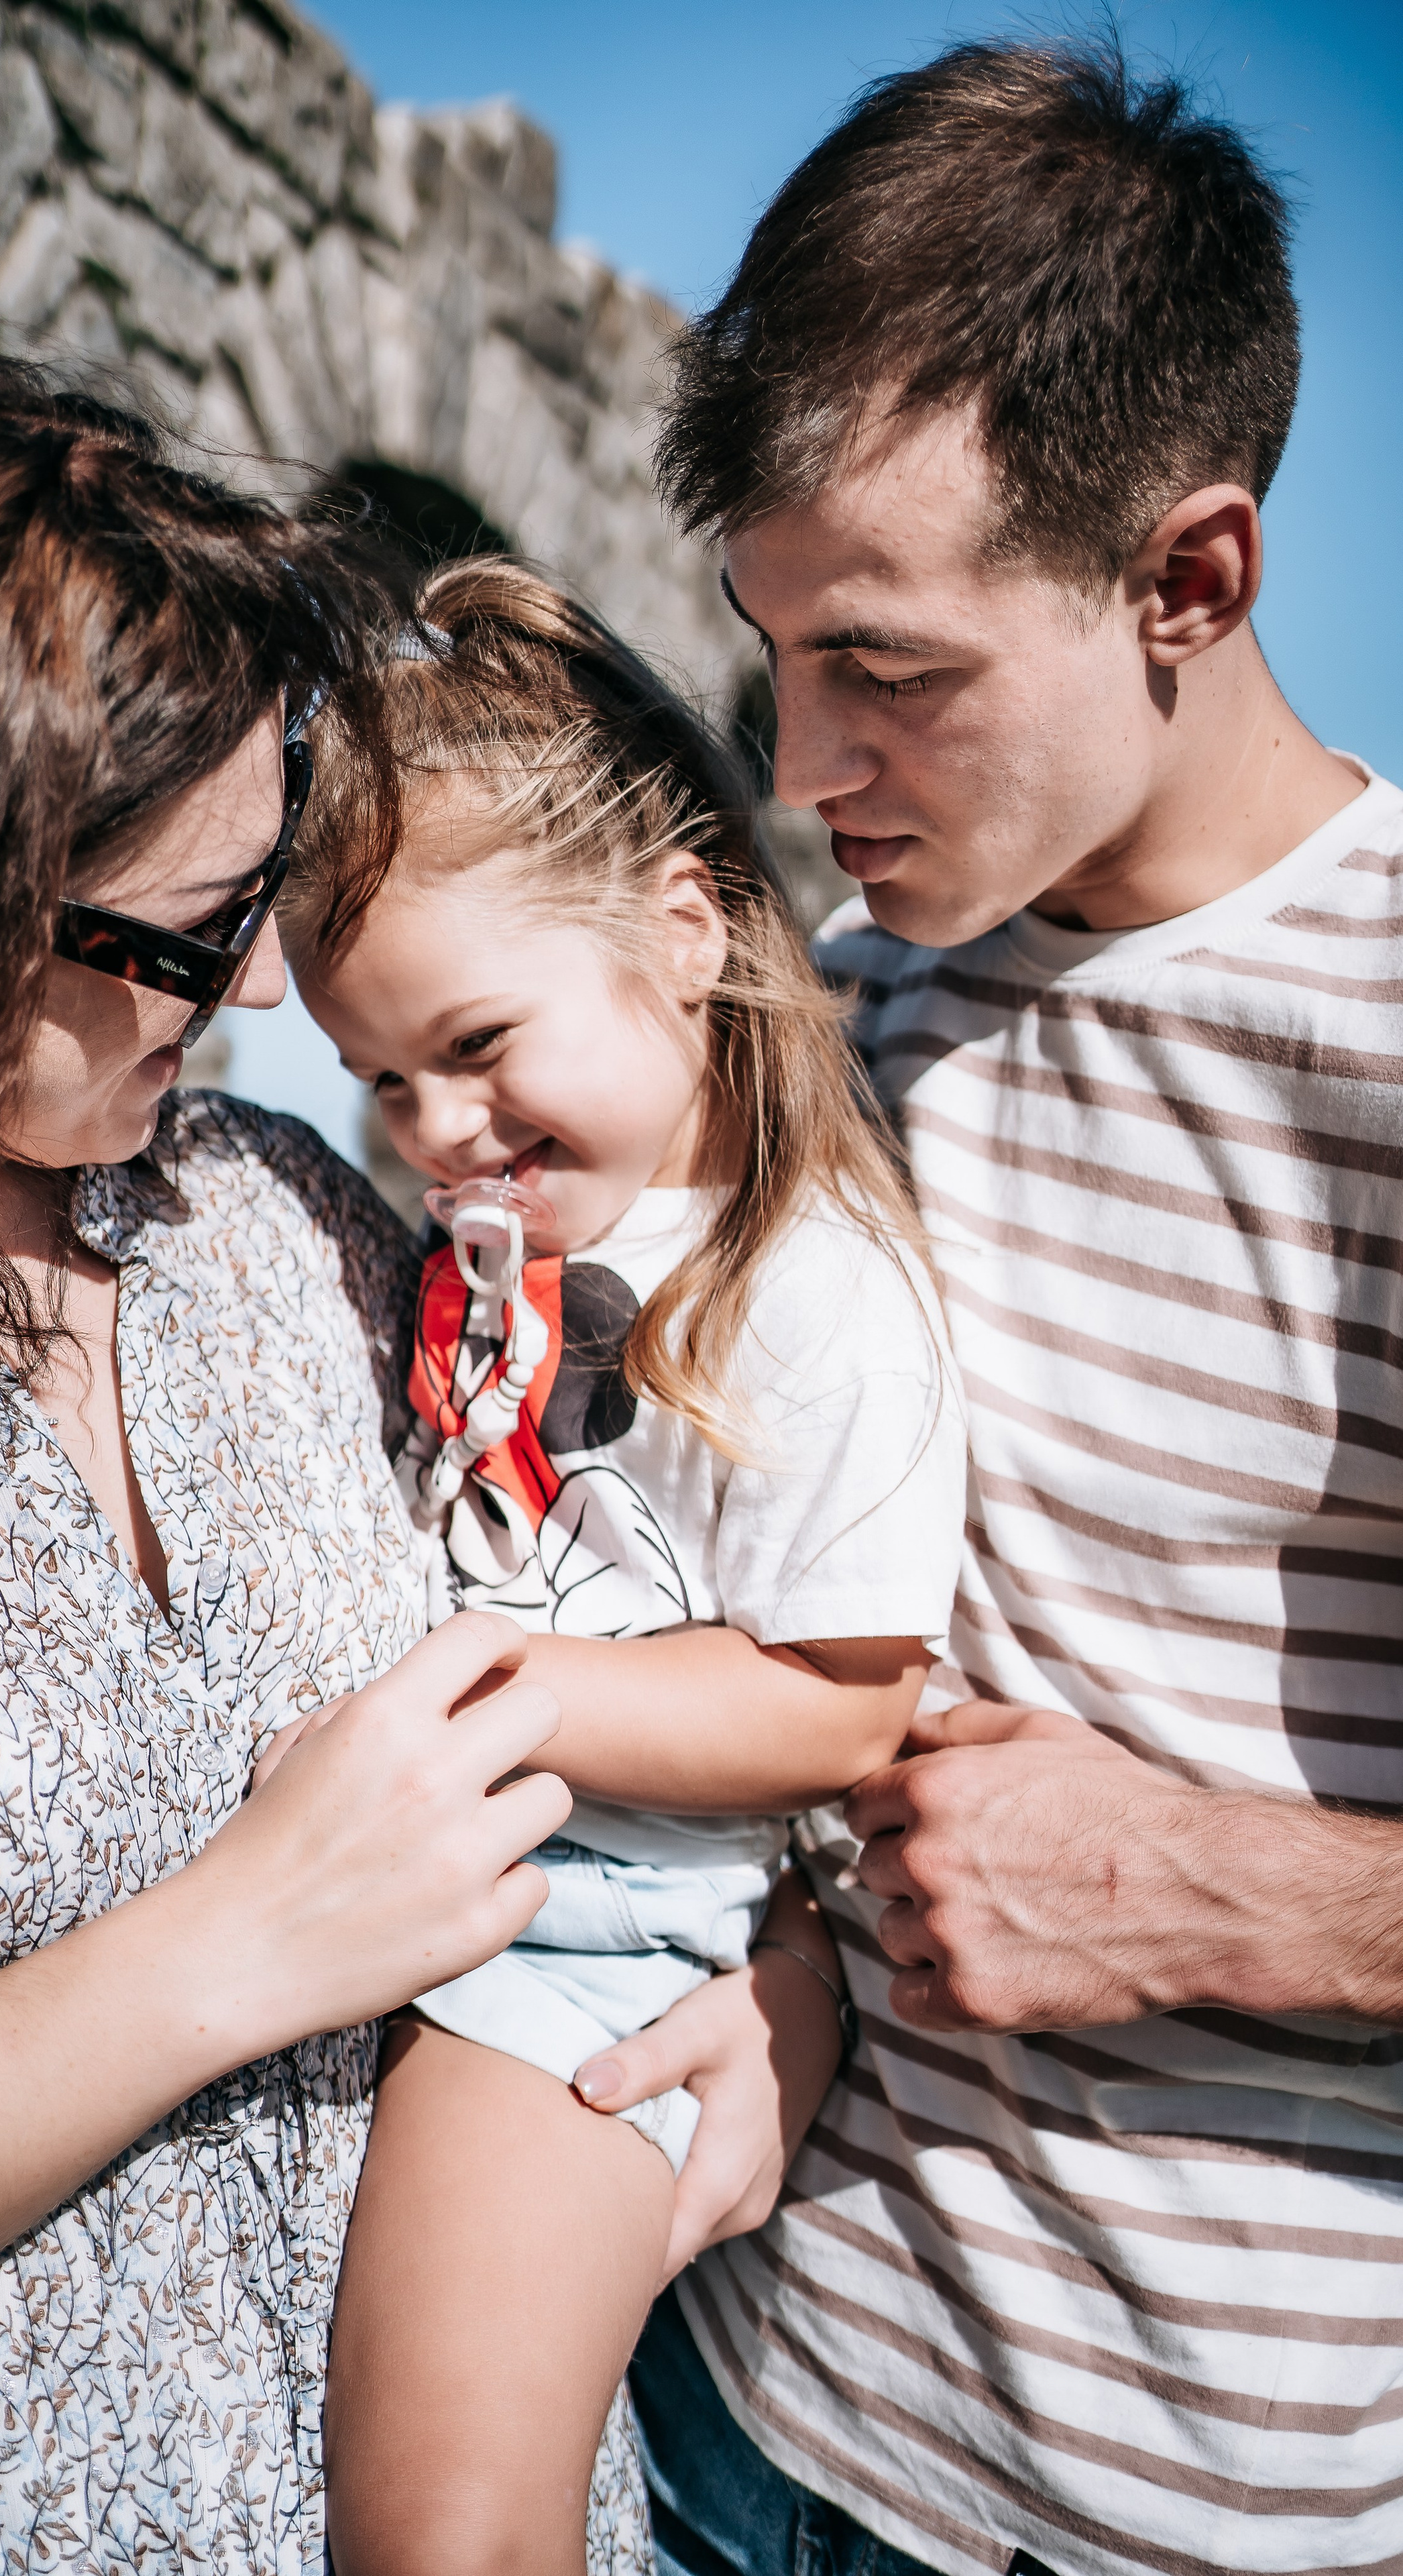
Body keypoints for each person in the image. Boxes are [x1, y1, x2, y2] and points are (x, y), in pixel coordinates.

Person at [0, 319, 671, 2573]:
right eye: (192, 925)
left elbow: (662, 1620)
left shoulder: (283, 1215)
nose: (255, 998)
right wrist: (223, 1948)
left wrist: (758, 2039)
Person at [568, 37, 1403, 2576]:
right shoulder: (847, 1002)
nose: (804, 754)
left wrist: (1222, 1890)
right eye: (776, 651)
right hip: (734, 2419)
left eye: (892, 669)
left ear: (1191, 580)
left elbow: (1098, 1855)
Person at [278, 559, 967, 2575]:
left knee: (443, 2524)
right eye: (382, 1077)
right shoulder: (508, 1253)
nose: (434, 1126)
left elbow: (852, 1693)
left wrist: (510, 1695)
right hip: (451, 1892)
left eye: (479, 1042)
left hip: (585, 1953)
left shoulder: (817, 1290)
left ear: (683, 926)